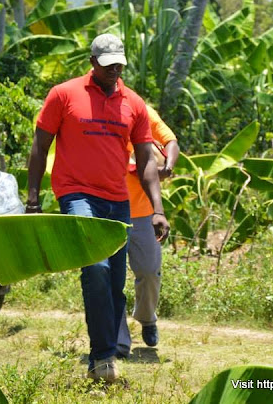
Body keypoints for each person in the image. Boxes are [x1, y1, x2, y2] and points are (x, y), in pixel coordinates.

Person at [26, 34, 170, 383]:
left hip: (118, 201)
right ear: (92, 62)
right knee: (96, 268)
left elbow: (147, 161)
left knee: (114, 280)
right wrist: (32, 199)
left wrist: (158, 208)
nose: (114, 70)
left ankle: (102, 357)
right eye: (108, 65)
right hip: (76, 195)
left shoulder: (134, 104)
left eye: (119, 64)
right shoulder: (64, 94)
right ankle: (104, 356)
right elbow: (40, 147)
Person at [117, 105, 179, 357]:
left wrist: (168, 166)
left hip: (143, 211)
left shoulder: (140, 110)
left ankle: (146, 318)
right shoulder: (96, 112)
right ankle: (118, 339)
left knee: (149, 271)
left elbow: (170, 141)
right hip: (109, 208)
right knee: (110, 276)